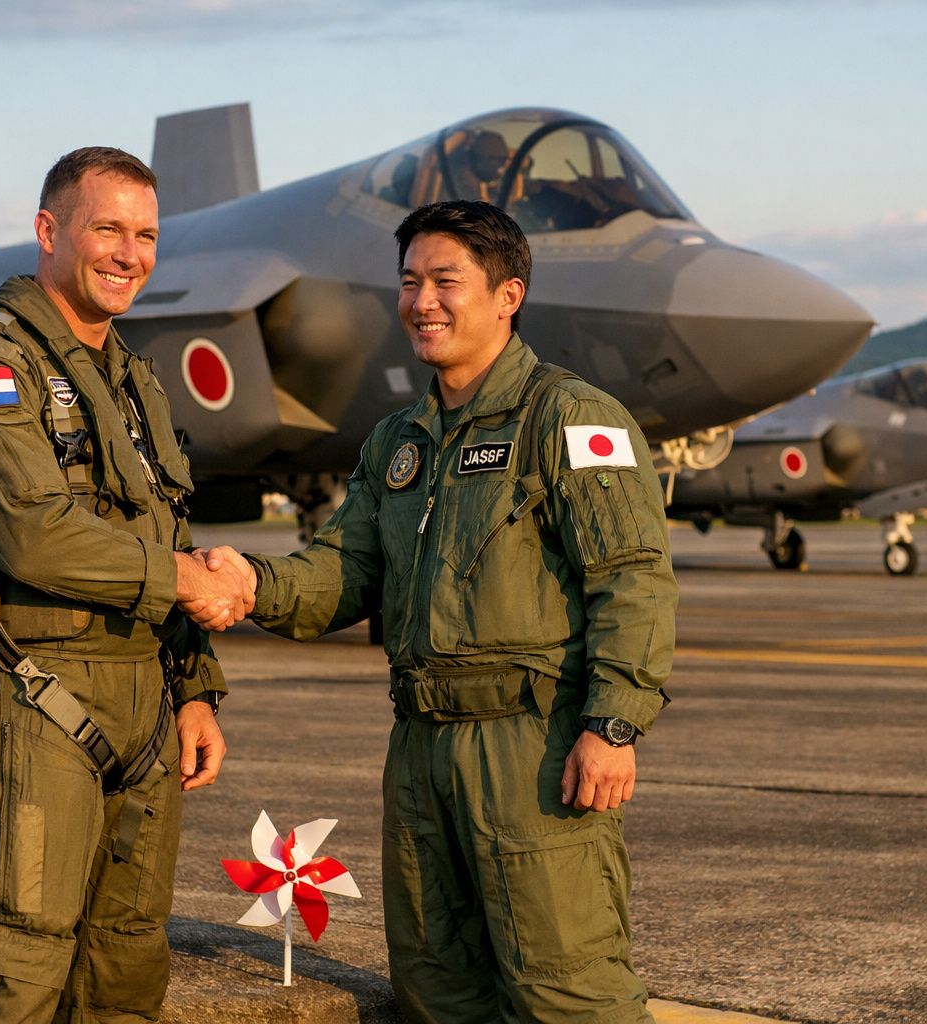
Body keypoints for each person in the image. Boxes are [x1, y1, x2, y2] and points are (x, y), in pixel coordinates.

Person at [198, 200, 676, 1022]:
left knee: (566, 988)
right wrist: (250, 584)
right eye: (410, 281)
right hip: (420, 751)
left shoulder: (570, 419)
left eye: (446, 281)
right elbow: (344, 572)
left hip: (531, 754)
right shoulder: (397, 444)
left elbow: (631, 579)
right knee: (435, 987)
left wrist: (614, 727)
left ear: (507, 294)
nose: (423, 301)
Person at [0, 147, 253, 1024]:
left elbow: (160, 527)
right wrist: (182, 581)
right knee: (17, 966)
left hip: (144, 698)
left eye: (145, 235)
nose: (129, 254)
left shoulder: (132, 380)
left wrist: (196, 688)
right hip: (31, 694)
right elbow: (35, 537)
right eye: (107, 229)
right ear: (48, 231)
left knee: (128, 967)